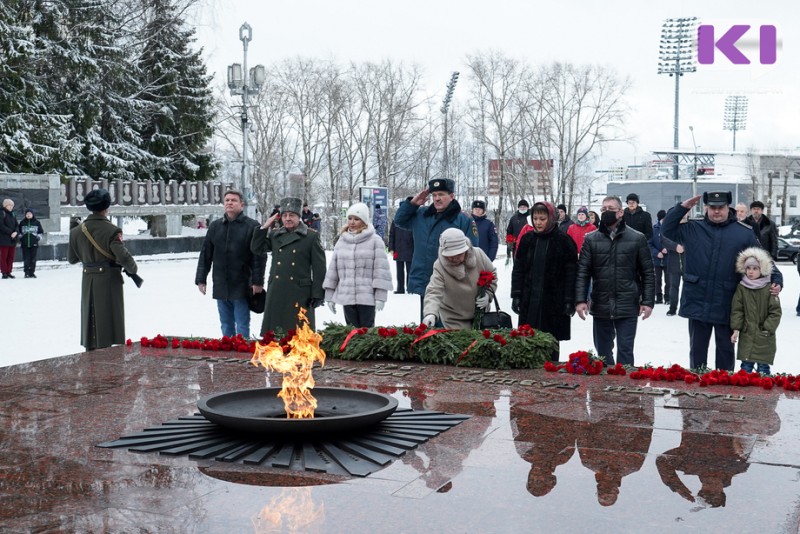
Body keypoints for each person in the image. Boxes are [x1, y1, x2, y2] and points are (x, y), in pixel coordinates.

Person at [661, 192, 783, 371]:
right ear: (706, 208)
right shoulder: (692, 228)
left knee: (726, 350)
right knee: (697, 350)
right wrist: (683, 207)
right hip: (697, 298)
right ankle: (696, 384)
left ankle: (724, 387)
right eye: (712, 207)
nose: (716, 211)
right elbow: (667, 230)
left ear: (728, 208)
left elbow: (762, 259)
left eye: (720, 207)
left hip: (726, 301)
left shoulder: (743, 233)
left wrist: (777, 279)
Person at [575, 195, 655, 366]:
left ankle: (624, 389)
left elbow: (647, 272)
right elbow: (583, 272)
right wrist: (580, 299)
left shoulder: (637, 238)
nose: (605, 212)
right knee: (603, 354)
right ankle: (605, 389)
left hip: (627, 304)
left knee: (625, 352)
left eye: (610, 209)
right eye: (603, 209)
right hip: (601, 304)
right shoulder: (591, 239)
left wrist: (647, 301)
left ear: (620, 212)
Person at [393, 178, 478, 318]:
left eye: (441, 195)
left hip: (451, 283)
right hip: (425, 280)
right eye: (434, 195)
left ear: (452, 196)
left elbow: (472, 253)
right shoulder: (421, 215)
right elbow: (399, 221)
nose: (437, 199)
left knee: (449, 328)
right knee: (427, 324)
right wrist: (412, 204)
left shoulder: (464, 220)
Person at [67, 188, 138, 350]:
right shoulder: (112, 230)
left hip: (87, 279)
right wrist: (132, 269)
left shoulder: (77, 231)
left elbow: (72, 259)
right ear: (106, 207)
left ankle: (91, 353)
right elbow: (123, 257)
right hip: (108, 279)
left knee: (90, 317)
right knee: (109, 319)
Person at [511, 201, 577, 361]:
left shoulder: (563, 240)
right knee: (527, 339)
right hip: (530, 299)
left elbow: (571, 273)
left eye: (542, 219)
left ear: (551, 218)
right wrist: (517, 294)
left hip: (554, 301)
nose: (538, 223)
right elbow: (518, 268)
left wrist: (569, 300)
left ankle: (550, 375)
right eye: (535, 218)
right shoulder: (527, 240)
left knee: (550, 342)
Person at [251, 196, 326, 335]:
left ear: (299, 217)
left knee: (299, 334)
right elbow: (256, 248)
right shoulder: (275, 235)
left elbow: (319, 268)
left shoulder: (310, 237)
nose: (287, 218)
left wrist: (318, 294)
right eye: (284, 215)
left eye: (291, 215)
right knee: (275, 334)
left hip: (300, 292)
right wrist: (264, 227)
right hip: (277, 290)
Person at [195, 190, 265, 338]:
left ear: (242, 204)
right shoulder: (215, 226)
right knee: (225, 324)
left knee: (242, 324)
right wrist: (201, 279)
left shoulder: (252, 226)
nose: (229, 203)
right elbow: (206, 254)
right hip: (221, 283)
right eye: (227, 200)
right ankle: (227, 354)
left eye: (233, 200)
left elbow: (258, 256)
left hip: (242, 284)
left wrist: (257, 282)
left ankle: (242, 354)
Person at [323, 203, 393, 328]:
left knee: (366, 334)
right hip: (346, 295)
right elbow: (333, 270)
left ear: (364, 221)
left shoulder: (375, 241)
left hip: (367, 296)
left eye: (356, 219)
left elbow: (381, 271)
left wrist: (380, 296)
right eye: (350, 218)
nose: (352, 222)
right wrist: (329, 295)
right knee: (351, 332)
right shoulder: (341, 241)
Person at [422, 228, 496, 329]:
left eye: (459, 254)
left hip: (481, 315)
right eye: (450, 255)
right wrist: (430, 313)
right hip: (454, 318)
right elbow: (434, 290)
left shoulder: (478, 254)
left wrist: (488, 295)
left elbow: (492, 274)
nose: (454, 258)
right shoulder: (439, 266)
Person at [730, 247, 781, 375]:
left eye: (755, 268)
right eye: (748, 268)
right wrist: (736, 329)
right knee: (745, 370)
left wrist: (767, 328)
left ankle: (762, 394)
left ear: (762, 269)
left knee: (763, 370)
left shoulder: (769, 288)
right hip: (747, 335)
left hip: (764, 337)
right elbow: (737, 310)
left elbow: (775, 312)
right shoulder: (742, 287)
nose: (751, 272)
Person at [661, 213, 687, 316]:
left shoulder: (690, 227)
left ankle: (684, 307)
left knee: (687, 286)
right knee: (673, 286)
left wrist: (685, 247)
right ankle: (672, 307)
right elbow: (664, 239)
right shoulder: (671, 227)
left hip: (687, 261)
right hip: (674, 261)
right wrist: (675, 246)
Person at [388, 211, 414, 294]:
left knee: (409, 270)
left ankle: (409, 288)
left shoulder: (412, 220)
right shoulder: (396, 221)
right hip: (398, 250)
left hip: (408, 249)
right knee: (400, 270)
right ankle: (401, 288)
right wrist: (391, 248)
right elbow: (391, 235)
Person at [648, 209, 669, 305]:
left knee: (668, 280)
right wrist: (657, 253)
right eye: (662, 219)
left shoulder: (670, 229)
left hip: (668, 259)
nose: (664, 221)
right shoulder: (654, 230)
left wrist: (667, 249)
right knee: (657, 279)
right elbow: (649, 244)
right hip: (656, 259)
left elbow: (674, 242)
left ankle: (668, 297)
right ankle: (659, 297)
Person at [17, 208, 44, 278]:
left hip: (34, 244)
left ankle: (32, 272)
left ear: (32, 214)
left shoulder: (37, 223)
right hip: (25, 244)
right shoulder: (22, 222)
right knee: (26, 258)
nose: (28, 215)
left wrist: (38, 238)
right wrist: (21, 238)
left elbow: (41, 232)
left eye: (30, 214)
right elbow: (19, 232)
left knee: (33, 259)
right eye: (27, 214)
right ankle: (26, 272)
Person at [0, 198, 18, 279]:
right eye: (9, 205)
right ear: (5, 206)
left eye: (12, 205)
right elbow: (1, 225)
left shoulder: (13, 214)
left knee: (11, 257)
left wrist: (16, 232)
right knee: (3, 257)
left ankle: (9, 271)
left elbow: (17, 225)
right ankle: (4, 272)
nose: (11, 207)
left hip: (12, 239)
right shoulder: (2, 213)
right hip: (4, 239)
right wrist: (11, 232)